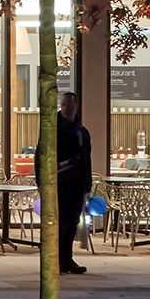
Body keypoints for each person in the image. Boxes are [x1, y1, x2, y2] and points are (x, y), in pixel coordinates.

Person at [55, 90, 94, 274]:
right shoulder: (52, 131)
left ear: (76, 107)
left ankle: (66, 259)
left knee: (70, 224)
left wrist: (87, 186)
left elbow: (87, 160)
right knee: (59, 224)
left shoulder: (82, 133)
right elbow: (41, 157)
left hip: (76, 185)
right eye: (64, 105)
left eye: (70, 106)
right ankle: (57, 259)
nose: (67, 109)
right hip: (58, 184)